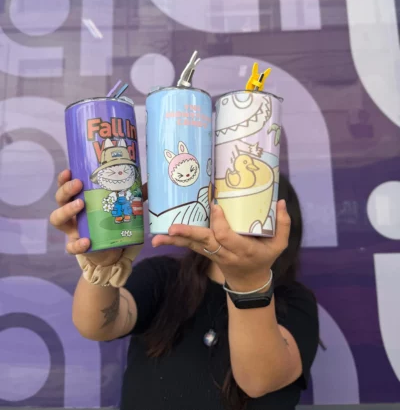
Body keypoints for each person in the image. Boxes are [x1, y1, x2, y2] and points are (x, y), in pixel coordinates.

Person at [50, 170, 319, 410]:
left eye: (250, 202)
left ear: (282, 226)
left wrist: (249, 281)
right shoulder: (165, 276)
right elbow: (97, 326)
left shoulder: (295, 301)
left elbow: (258, 381)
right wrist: (103, 264)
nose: (232, 217)